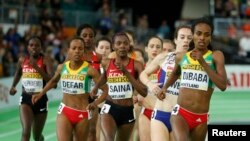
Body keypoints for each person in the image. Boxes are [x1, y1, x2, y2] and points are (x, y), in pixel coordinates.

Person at [158, 17, 228, 141]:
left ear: (210, 37)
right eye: (198, 33)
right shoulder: (182, 57)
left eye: (207, 35)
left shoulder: (216, 56)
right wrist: (164, 88)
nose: (202, 38)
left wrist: (203, 62)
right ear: (193, 35)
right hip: (181, 113)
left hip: (201, 117)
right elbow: (175, 73)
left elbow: (222, 85)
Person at [32, 37, 108, 141]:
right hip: (64, 111)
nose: (77, 51)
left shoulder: (90, 70)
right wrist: (40, 94)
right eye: (74, 48)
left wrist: (95, 103)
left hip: (82, 112)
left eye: (80, 48)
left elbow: (106, 90)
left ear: (83, 51)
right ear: (68, 50)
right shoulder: (62, 67)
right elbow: (54, 81)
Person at [140, 25, 193, 141]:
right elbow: (143, 74)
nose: (186, 40)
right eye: (182, 37)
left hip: (181, 117)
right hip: (160, 113)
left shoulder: (196, 62)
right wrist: (151, 85)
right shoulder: (164, 58)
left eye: (189, 37)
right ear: (176, 40)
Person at [91, 32, 147, 141]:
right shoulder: (107, 63)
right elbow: (104, 76)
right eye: (119, 43)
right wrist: (96, 87)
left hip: (128, 110)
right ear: (113, 46)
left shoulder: (137, 65)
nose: (122, 46)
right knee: (108, 138)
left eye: (125, 43)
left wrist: (126, 72)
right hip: (110, 108)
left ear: (129, 46)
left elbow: (144, 92)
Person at [9, 36, 54, 141]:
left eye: (37, 45)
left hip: (41, 99)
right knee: (26, 131)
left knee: (37, 137)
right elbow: (18, 73)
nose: (34, 47)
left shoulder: (45, 60)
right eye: (31, 45)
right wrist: (13, 86)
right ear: (27, 47)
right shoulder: (22, 60)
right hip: (26, 98)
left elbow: (52, 81)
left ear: (41, 48)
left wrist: (37, 68)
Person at [75, 23, 102, 141]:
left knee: (92, 131)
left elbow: (102, 78)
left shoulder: (99, 57)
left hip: (92, 98)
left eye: (91, 36)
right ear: (79, 37)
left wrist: (97, 88)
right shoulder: (72, 56)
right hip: (75, 98)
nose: (87, 38)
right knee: (76, 132)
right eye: (84, 35)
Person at [137, 36, 163, 141]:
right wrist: (136, 96)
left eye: (158, 47)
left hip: (163, 113)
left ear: (162, 50)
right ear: (146, 49)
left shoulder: (167, 69)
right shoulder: (139, 68)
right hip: (146, 112)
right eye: (152, 46)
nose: (155, 49)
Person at [94, 36, 112, 141]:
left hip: (111, 106)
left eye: (107, 48)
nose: (104, 50)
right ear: (96, 49)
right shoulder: (90, 67)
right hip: (94, 105)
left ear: (111, 50)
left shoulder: (117, 65)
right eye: (101, 47)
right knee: (95, 136)